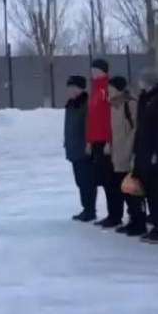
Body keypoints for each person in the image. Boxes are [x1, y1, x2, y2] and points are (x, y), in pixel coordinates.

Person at [87, 59, 123, 227]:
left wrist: (109, 140)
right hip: (96, 140)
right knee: (103, 179)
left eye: (95, 69)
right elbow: (92, 118)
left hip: (105, 141)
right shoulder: (95, 89)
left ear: (103, 71)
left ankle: (115, 215)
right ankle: (111, 213)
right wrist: (89, 140)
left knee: (110, 180)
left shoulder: (107, 89)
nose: (92, 72)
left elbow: (111, 117)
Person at [134, 68, 158, 243]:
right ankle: (154, 222)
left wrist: (156, 151)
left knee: (156, 190)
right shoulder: (144, 98)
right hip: (142, 149)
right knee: (147, 189)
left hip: (153, 151)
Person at [108, 76, 145, 236]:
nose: (108, 91)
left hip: (128, 153)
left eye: (111, 88)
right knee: (124, 189)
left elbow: (136, 130)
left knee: (133, 190)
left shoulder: (130, 104)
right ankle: (132, 219)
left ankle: (139, 222)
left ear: (119, 89)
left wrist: (131, 151)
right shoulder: (114, 106)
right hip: (117, 153)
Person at [64, 75, 95, 222]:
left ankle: (90, 210)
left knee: (86, 181)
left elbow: (89, 126)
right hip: (74, 148)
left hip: (84, 149)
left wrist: (88, 143)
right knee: (79, 181)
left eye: (72, 87)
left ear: (79, 88)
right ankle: (86, 208)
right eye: (68, 87)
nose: (69, 90)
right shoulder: (71, 104)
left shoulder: (86, 104)